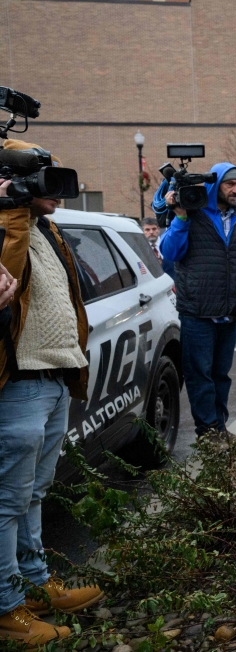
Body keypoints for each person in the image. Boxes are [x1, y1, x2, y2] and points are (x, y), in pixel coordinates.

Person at [0, 140, 103, 649]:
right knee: (6, 501)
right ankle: (6, 607)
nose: (57, 189)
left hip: (54, 377)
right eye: (43, 178)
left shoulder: (48, 229)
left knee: (34, 493)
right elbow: (6, 284)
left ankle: (35, 584)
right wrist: (9, 212)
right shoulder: (9, 226)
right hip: (17, 382)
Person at [159, 163, 236, 437]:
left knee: (221, 376)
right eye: (229, 184)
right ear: (216, 187)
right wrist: (180, 218)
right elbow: (170, 253)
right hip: (197, 313)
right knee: (200, 376)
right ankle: (208, 432)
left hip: (229, 313)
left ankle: (220, 427)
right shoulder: (192, 216)